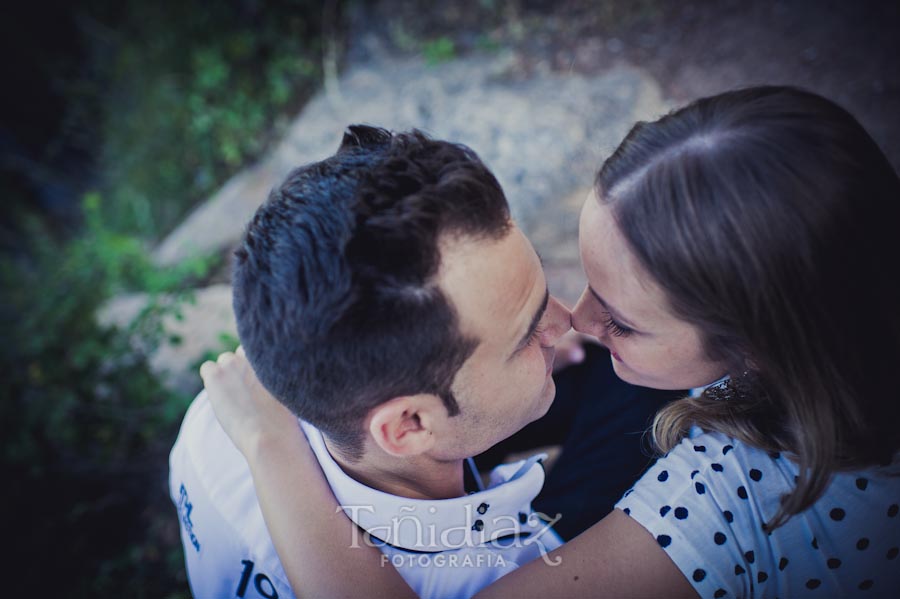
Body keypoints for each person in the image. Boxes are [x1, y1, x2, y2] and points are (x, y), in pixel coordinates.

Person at [203, 85, 900, 598]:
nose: (575, 320)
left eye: (623, 321)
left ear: (759, 349)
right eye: (586, 282)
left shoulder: (726, 494)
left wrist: (271, 446)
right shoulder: (851, 272)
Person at [170, 125, 678, 599]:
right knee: (650, 387)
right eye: (526, 335)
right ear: (409, 424)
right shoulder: (490, 578)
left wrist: (516, 339)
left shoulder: (215, 424)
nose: (566, 321)